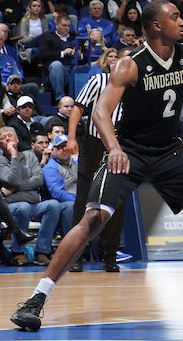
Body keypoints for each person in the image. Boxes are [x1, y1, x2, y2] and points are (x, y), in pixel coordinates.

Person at [10, 0, 183, 329]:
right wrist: (114, 148)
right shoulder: (129, 66)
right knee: (93, 219)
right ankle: (35, 300)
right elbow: (101, 111)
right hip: (129, 149)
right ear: (156, 26)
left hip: (168, 149)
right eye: (174, 16)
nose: (182, 20)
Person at [68, 52, 125, 273]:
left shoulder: (134, 87)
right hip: (93, 144)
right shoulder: (98, 80)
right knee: (84, 199)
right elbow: (78, 108)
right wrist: (72, 137)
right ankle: (76, 255)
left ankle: (110, 256)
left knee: (116, 202)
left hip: (119, 146)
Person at [0, 126, 62, 267]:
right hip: (11, 207)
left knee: (53, 205)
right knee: (23, 207)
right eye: (4, 138)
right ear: (0, 145)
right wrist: (13, 156)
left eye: (10, 136)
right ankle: (17, 253)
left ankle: (42, 252)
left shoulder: (30, 156)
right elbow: (13, 179)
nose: (8, 139)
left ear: (17, 139)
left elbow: (38, 179)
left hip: (33, 203)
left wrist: (14, 189)